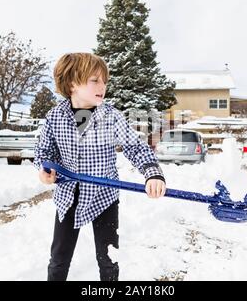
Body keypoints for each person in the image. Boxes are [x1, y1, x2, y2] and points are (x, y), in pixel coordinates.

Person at [34, 52, 166, 281]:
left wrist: (153, 174)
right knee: (58, 259)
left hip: (104, 195)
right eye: (95, 80)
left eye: (104, 81)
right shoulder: (55, 117)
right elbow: (44, 151)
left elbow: (135, 147)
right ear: (73, 82)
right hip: (69, 196)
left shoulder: (111, 117)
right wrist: (46, 169)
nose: (102, 86)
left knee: (108, 259)